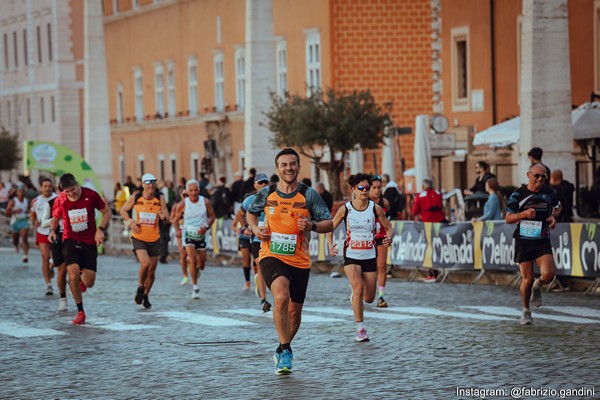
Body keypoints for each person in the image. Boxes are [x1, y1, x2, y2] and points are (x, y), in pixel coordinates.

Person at [247, 148, 333, 375]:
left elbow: (329, 223)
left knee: (295, 314)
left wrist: (312, 226)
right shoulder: (266, 193)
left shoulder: (309, 195)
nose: (288, 168)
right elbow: (250, 213)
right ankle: (286, 350)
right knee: (281, 295)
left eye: (292, 164)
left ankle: (281, 346)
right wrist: (256, 229)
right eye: (284, 165)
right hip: (271, 255)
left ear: (298, 167)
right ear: (277, 169)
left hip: (300, 260)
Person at [328, 174, 393, 342]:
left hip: (369, 255)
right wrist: (330, 244)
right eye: (361, 188)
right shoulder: (346, 209)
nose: (365, 191)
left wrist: (389, 238)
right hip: (351, 255)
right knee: (358, 287)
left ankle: (356, 298)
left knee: (369, 298)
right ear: (353, 190)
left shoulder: (375, 208)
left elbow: (388, 227)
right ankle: (360, 329)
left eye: (367, 188)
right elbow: (330, 227)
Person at [48, 173, 112, 325]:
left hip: (89, 241)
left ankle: (81, 281)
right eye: (68, 191)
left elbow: (107, 212)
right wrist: (52, 231)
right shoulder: (61, 200)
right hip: (70, 240)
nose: (71, 194)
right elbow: (56, 219)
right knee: (73, 273)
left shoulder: (91, 195)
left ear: (77, 184)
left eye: (73, 189)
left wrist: (100, 229)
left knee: (89, 283)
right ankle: (81, 312)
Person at [505, 164, 560, 325]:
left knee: (548, 275)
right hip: (524, 240)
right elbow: (508, 218)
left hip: (542, 239)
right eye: (537, 176)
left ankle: (538, 285)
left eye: (543, 176)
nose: (540, 179)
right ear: (528, 175)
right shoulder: (518, 193)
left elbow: (558, 207)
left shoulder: (549, 192)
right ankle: (526, 311)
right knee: (526, 280)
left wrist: (553, 216)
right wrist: (523, 214)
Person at [120, 173, 169, 309]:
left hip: (154, 238)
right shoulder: (136, 197)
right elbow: (123, 210)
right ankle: (140, 286)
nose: (151, 185)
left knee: (152, 271)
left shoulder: (160, 198)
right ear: (143, 185)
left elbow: (167, 218)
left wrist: (163, 216)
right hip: (139, 237)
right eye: (148, 182)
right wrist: (130, 222)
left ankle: (146, 295)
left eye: (153, 182)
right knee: (145, 263)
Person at [231, 173, 272, 312]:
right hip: (256, 238)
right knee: (261, 266)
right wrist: (246, 227)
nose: (264, 185)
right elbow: (239, 216)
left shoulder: (275, 198)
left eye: (266, 182)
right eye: (260, 183)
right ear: (255, 185)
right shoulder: (250, 200)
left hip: (273, 238)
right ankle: (263, 301)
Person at [172, 179, 215, 299]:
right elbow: (175, 220)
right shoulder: (183, 204)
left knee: (201, 265)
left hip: (202, 234)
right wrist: (177, 231)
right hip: (188, 234)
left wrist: (206, 227)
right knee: (193, 258)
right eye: (191, 190)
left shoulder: (205, 201)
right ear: (187, 191)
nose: (194, 193)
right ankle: (195, 288)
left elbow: (212, 216)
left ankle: (196, 270)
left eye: (196, 190)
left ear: (199, 191)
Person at [412, 178, 445, 282]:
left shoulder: (420, 196)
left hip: (428, 225)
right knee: (439, 247)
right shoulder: (438, 193)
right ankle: (440, 270)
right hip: (440, 223)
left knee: (430, 248)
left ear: (423, 186)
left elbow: (414, 211)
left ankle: (433, 273)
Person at [41, 185, 68, 311]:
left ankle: (79, 281)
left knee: (76, 268)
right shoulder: (51, 204)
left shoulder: (76, 202)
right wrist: (56, 218)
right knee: (62, 271)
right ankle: (63, 298)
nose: (65, 192)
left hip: (74, 239)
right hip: (58, 239)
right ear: (58, 191)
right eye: (62, 190)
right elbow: (43, 222)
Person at [30, 177, 58, 295]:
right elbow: (32, 214)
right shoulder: (36, 201)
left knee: (56, 258)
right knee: (45, 257)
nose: (47, 188)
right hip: (42, 232)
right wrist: (34, 221)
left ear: (52, 187)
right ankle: (49, 285)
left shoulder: (57, 198)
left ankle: (53, 264)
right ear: (41, 188)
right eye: (45, 186)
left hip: (56, 231)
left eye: (49, 186)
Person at [369, 175, 392, 307]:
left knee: (382, 265)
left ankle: (381, 297)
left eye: (379, 187)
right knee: (368, 267)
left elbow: (387, 221)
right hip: (367, 237)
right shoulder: (363, 201)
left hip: (381, 236)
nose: (377, 190)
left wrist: (389, 234)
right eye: (374, 188)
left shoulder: (385, 203)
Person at [6, 184, 30, 263]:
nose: (21, 192)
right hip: (15, 222)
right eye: (19, 191)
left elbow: (30, 210)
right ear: (17, 192)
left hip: (24, 221)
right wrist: (14, 211)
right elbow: (7, 212)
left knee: (24, 238)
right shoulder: (13, 201)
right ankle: (16, 245)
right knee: (15, 239)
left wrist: (29, 213)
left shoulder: (27, 200)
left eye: (22, 191)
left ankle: (25, 255)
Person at [171, 189, 190, 285]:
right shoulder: (177, 206)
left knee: (193, 255)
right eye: (184, 195)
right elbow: (172, 219)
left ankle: (194, 267)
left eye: (188, 195)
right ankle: (185, 275)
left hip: (192, 231)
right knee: (183, 255)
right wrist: (179, 222)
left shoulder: (195, 205)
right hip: (181, 231)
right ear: (180, 195)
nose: (186, 197)